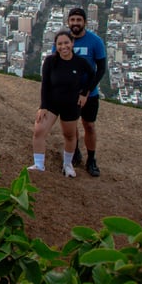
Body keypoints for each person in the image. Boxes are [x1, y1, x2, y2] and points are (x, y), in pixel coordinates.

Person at [29, 29, 95, 177]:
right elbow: (45, 84)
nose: (63, 47)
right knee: (39, 130)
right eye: (60, 44)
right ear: (55, 46)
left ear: (72, 43)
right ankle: (39, 164)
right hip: (52, 102)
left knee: (70, 135)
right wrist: (43, 106)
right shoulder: (50, 61)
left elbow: (92, 75)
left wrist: (85, 93)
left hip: (71, 104)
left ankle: (67, 164)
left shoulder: (80, 63)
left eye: (66, 43)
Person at [67, 6, 107, 177]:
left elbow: (101, 69)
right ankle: (75, 151)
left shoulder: (95, 41)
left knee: (89, 125)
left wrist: (87, 91)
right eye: (73, 20)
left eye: (79, 20)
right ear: (68, 22)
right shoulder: (64, 40)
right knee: (72, 124)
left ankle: (91, 159)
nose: (75, 23)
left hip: (90, 93)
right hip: (70, 92)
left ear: (85, 22)